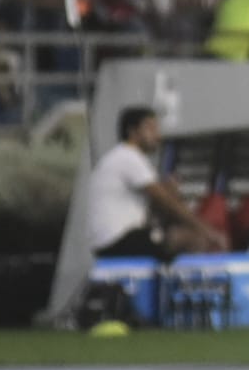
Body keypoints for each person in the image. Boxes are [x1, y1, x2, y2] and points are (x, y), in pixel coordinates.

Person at [87, 105, 226, 261]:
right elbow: (167, 202)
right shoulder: (128, 157)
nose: (157, 135)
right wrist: (208, 231)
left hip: (117, 240)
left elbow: (157, 207)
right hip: (117, 241)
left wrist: (168, 191)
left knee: (175, 234)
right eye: (150, 129)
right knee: (193, 238)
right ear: (132, 132)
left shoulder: (126, 158)